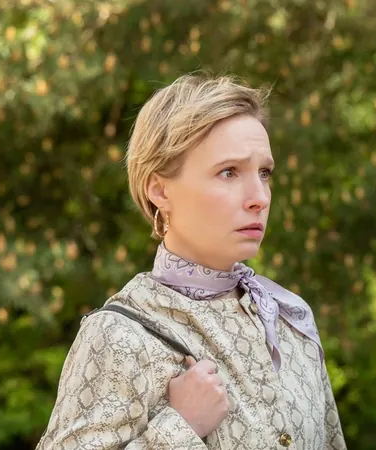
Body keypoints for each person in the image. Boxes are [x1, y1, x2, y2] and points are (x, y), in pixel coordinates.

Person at [36, 74, 347, 449]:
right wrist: (179, 428)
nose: (260, 197)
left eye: (264, 173)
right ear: (160, 190)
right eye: (229, 172)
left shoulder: (288, 318)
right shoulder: (120, 336)